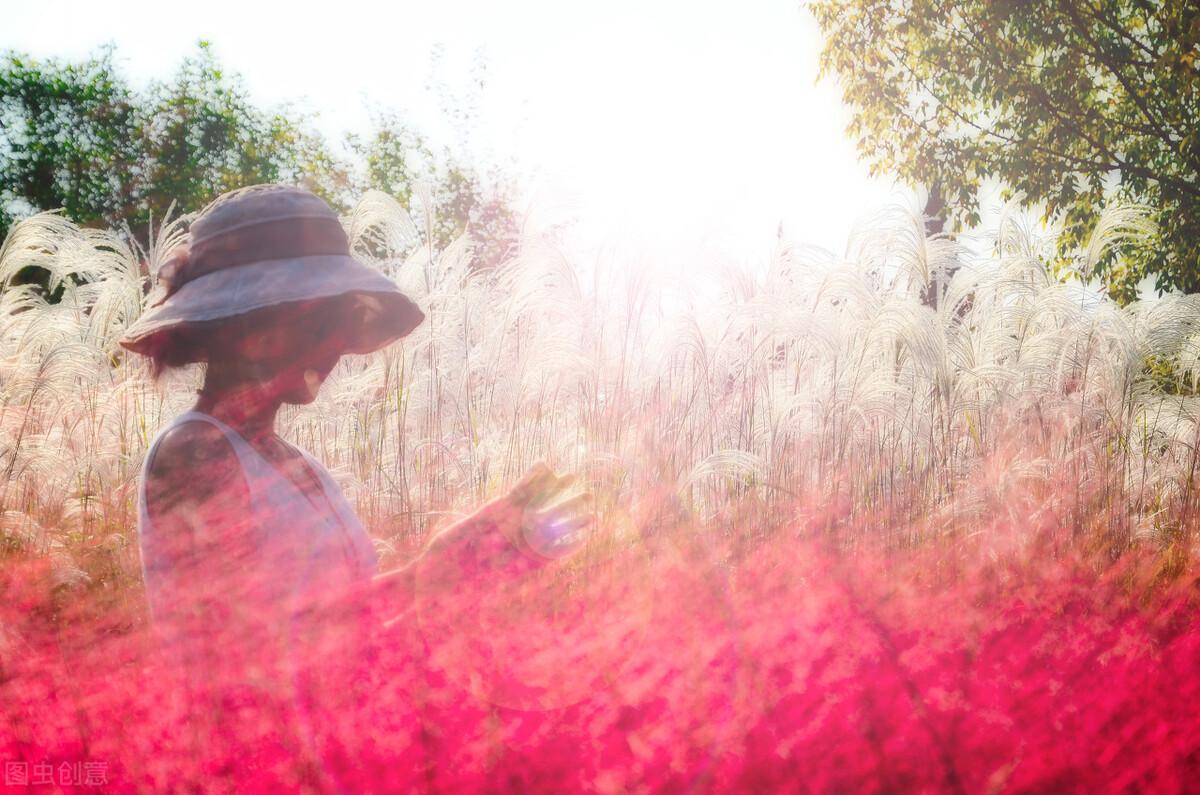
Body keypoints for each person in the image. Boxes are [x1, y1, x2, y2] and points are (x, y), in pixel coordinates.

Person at [117, 184, 593, 782]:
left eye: (343, 319)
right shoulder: (195, 452)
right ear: (246, 328)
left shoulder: (296, 465)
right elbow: (249, 659)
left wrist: (468, 569)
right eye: (319, 319)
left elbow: (342, 633)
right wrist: (428, 577)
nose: (339, 342)